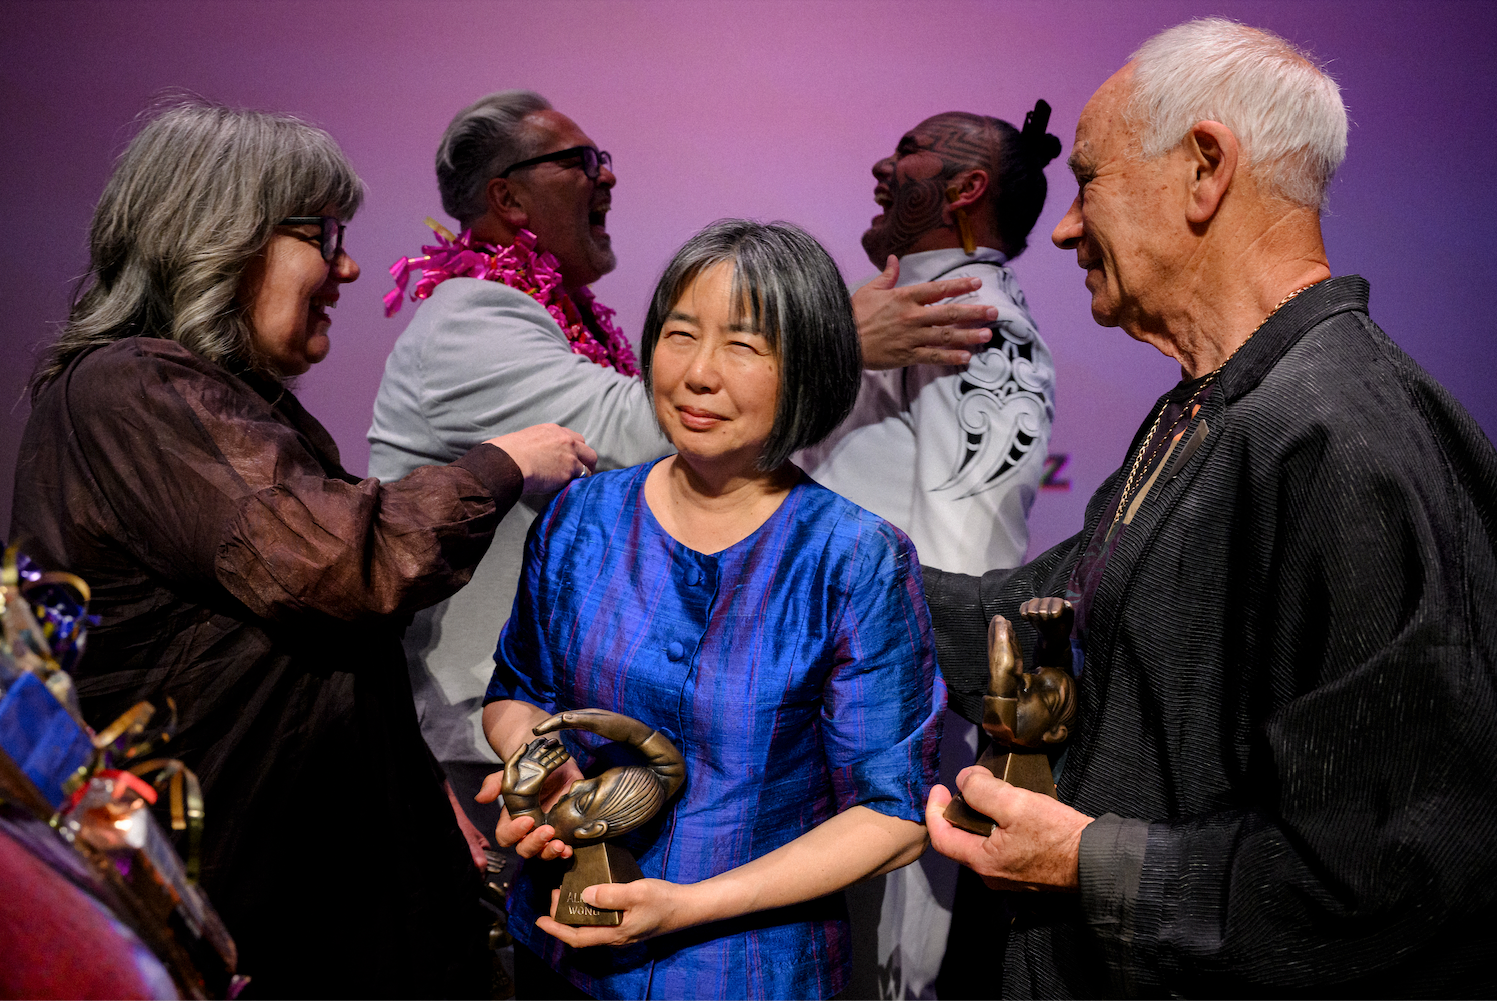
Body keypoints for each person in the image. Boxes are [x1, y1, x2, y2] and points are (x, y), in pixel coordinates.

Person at [920, 18, 1497, 997]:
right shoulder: (1216, 409)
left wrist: (1087, 860)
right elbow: (1036, 615)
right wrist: (799, 542)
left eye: (1088, 181)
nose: (1062, 226)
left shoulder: (1341, 439)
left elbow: (1390, 877)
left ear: (1205, 168)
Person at [7, 100, 595, 999]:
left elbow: (316, 658)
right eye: (322, 233)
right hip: (247, 916)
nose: (349, 265)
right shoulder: (132, 388)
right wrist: (504, 462)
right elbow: (341, 567)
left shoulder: (226, 399)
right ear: (224, 237)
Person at [367, 90, 1003, 844]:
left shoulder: (855, 550)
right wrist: (828, 340)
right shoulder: (471, 315)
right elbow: (628, 429)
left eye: (744, 341)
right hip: (487, 737)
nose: (606, 178)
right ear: (507, 196)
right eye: (579, 162)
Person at [480, 220, 946, 999]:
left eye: (743, 345)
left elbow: (892, 816)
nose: (697, 373)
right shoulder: (581, 514)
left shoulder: (852, 557)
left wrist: (688, 905)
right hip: (562, 948)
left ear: (808, 367)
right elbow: (516, 691)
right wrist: (542, 766)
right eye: (679, 333)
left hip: (743, 968)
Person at [796, 102, 1063, 999]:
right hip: (825, 703)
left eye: (907, 150)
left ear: (965, 188)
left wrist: (915, 746)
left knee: (882, 964)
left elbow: (967, 556)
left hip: (887, 727)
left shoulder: (971, 315)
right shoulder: (894, 305)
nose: (882, 163)